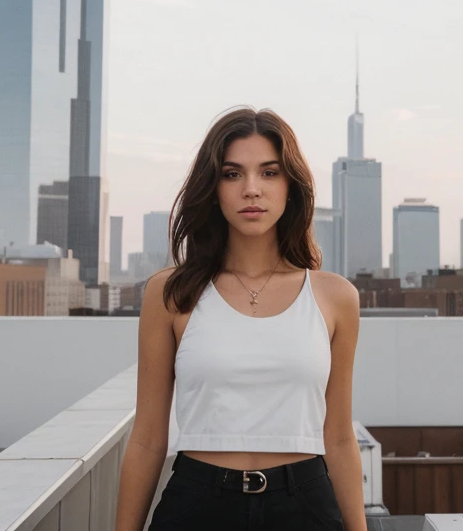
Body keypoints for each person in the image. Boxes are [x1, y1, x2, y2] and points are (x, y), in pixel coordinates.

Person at [114, 106, 368, 531]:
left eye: (269, 173)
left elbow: (339, 437)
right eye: (233, 174)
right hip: (197, 504)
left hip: (305, 506)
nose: (252, 189)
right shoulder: (171, 293)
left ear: (292, 186)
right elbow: (147, 437)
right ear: (213, 188)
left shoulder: (336, 297)